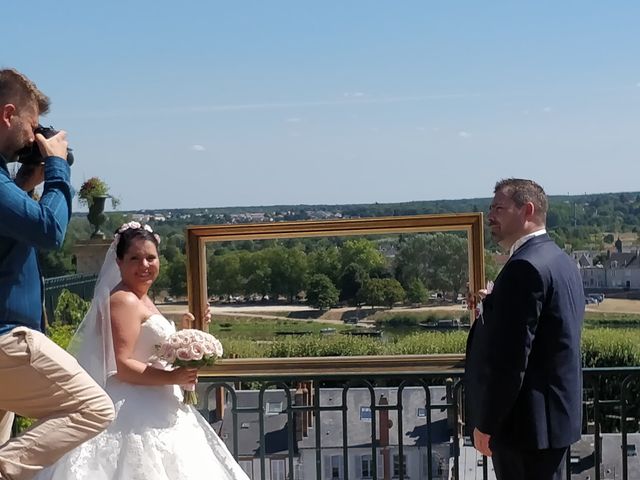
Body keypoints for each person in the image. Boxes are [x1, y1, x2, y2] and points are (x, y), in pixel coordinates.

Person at [36, 223, 250, 480]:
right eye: (134, 258)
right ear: (119, 262)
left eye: (151, 257)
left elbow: (149, 349)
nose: (144, 265)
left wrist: (189, 334)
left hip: (158, 398)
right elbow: (123, 364)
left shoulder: (142, 298)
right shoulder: (123, 300)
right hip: (133, 407)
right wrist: (173, 378)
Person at [0, 68, 115, 480]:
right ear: (7, 114)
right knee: (92, 407)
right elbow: (49, 231)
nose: (34, 139)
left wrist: (30, 180)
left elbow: (17, 233)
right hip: (6, 340)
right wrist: (56, 168)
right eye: (32, 128)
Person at [464, 178, 584, 480]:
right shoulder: (560, 260)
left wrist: (487, 424)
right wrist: (492, 305)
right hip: (550, 424)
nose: (490, 215)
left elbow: (512, 360)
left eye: (499, 208)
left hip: (525, 429)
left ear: (527, 210)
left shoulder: (524, 267)